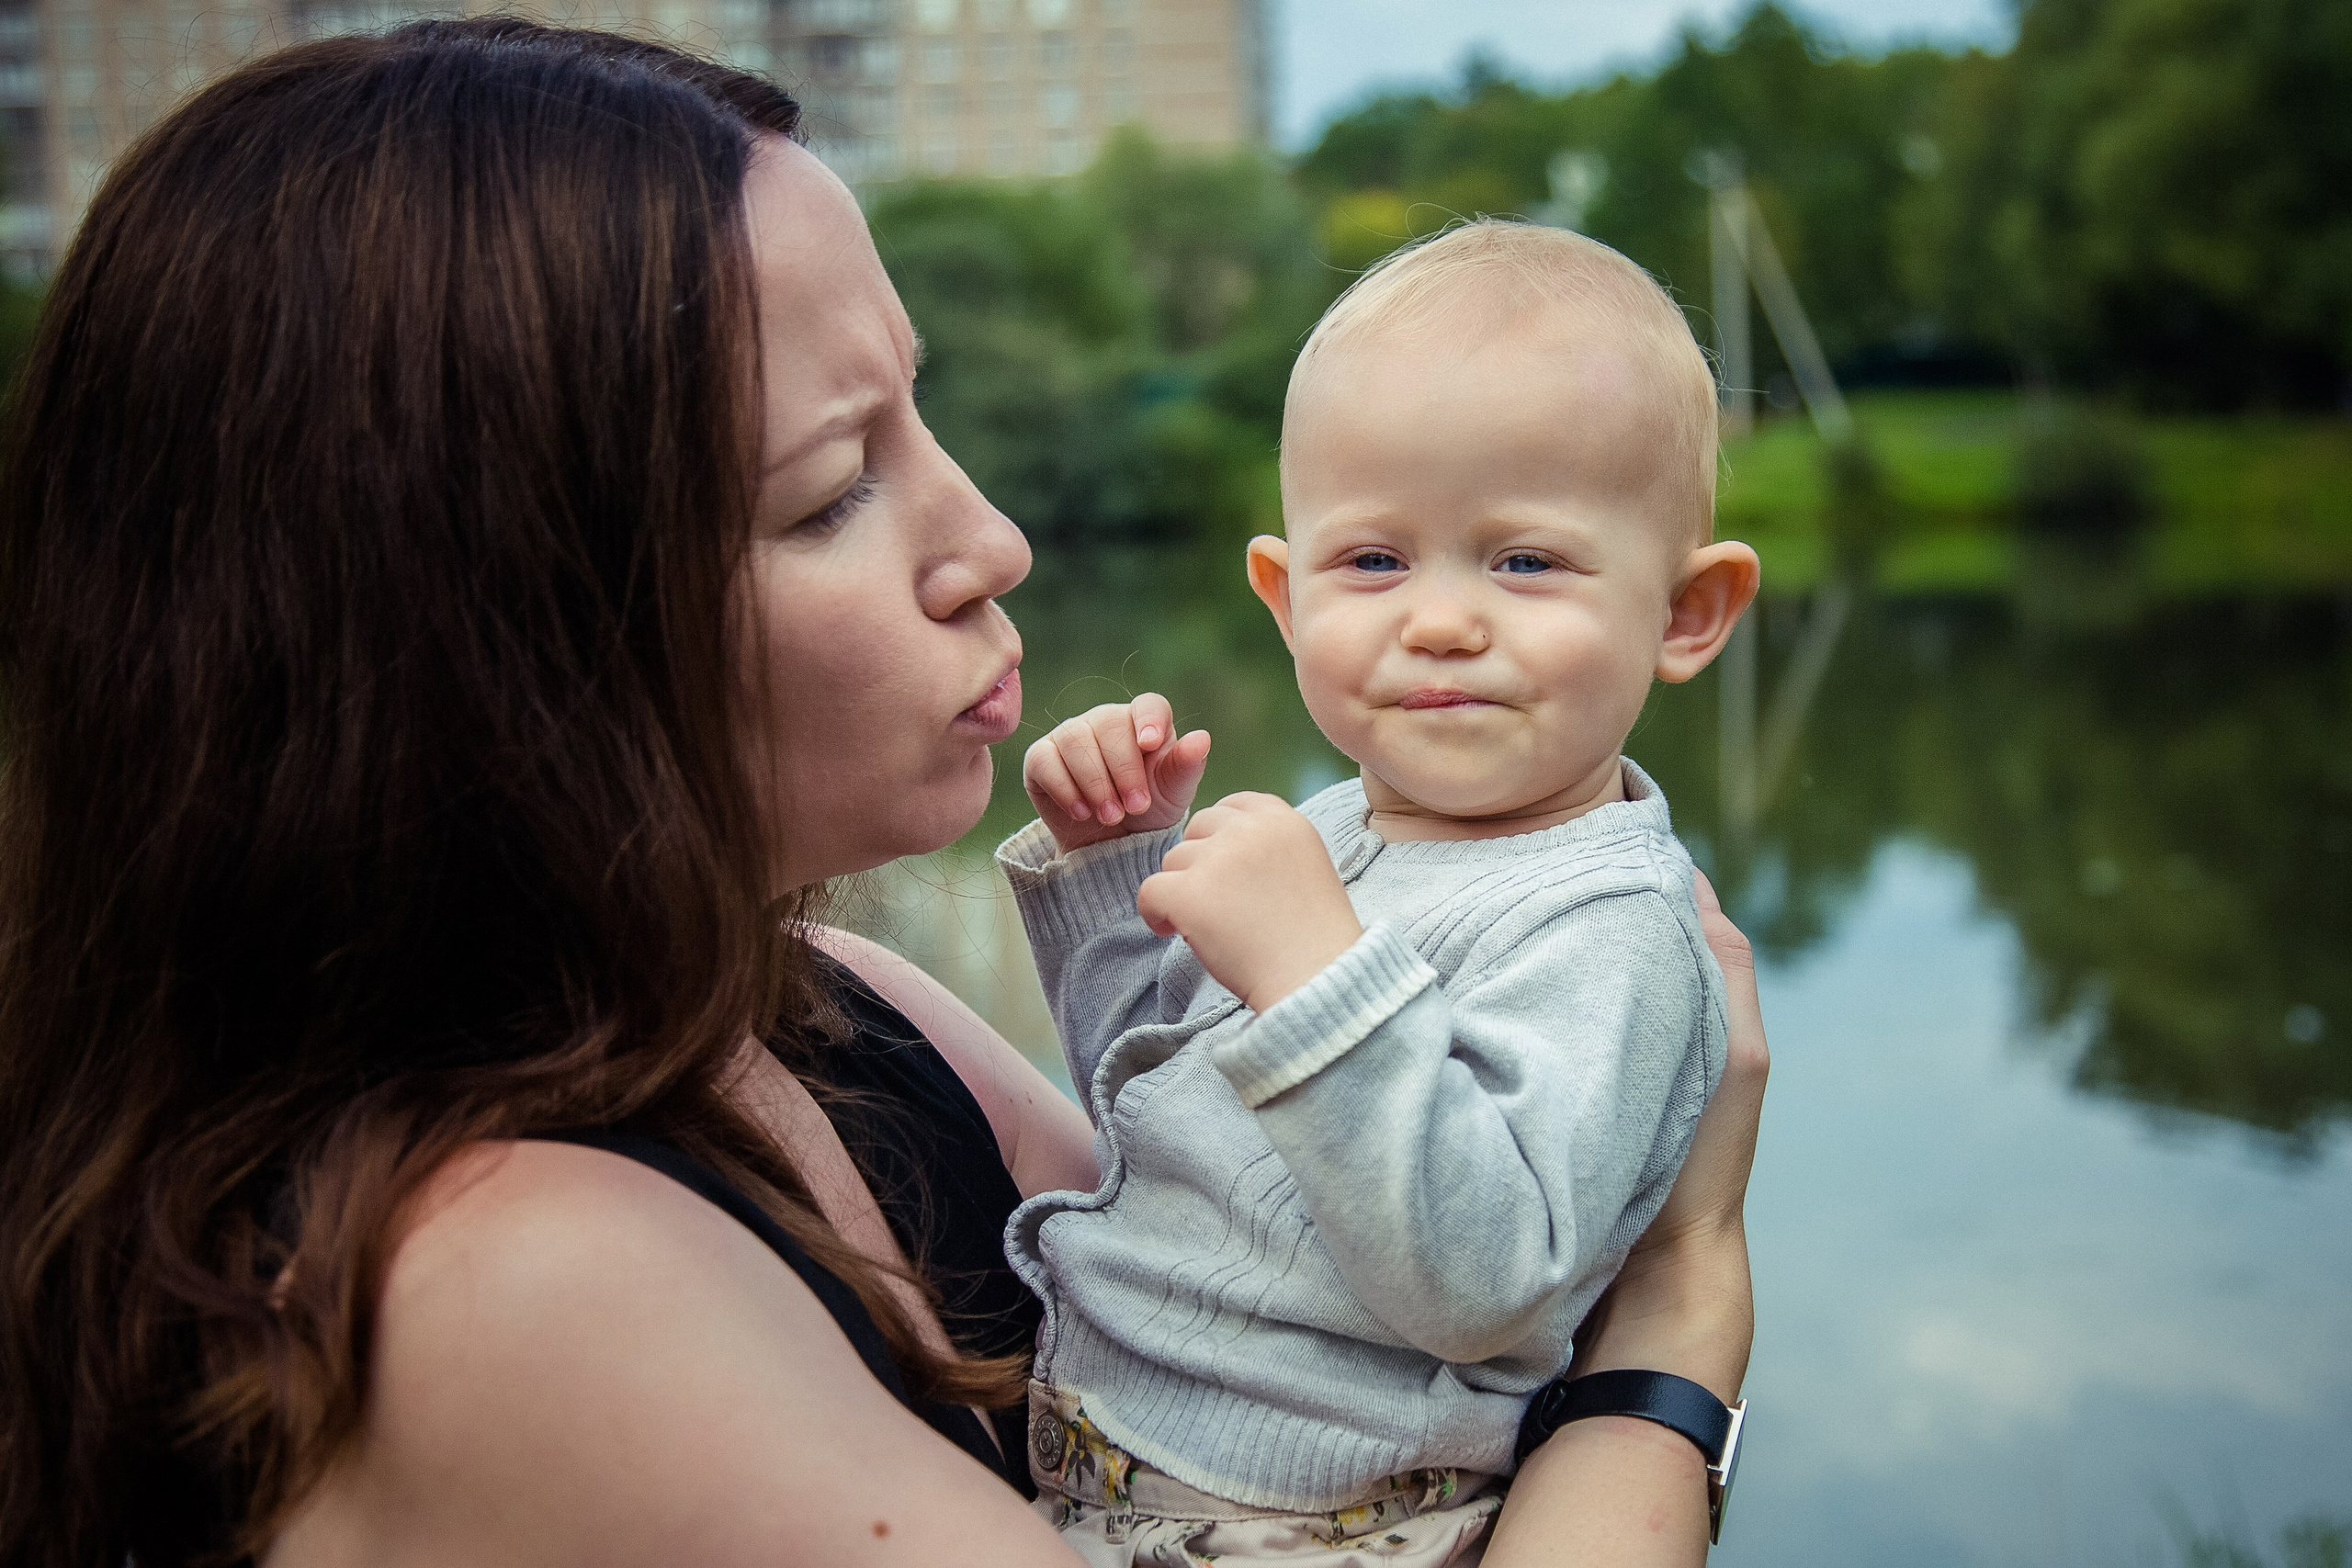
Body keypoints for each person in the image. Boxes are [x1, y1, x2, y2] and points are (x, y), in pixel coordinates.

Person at [0, 22, 1764, 1568]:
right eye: (839, 483)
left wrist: (1144, 893)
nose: (991, 538)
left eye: (921, 413)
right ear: (498, 626)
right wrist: (1678, 1328)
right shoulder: (511, 1284)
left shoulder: (835, 1011)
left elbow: (1255, 1247)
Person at [1001, 220, 1761, 1562]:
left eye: (1524, 561)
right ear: (1285, 601)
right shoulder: (1333, 829)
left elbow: (1481, 1281)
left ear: (1686, 613)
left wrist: (1313, 971)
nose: (1442, 620)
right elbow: (1156, 1123)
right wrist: (1115, 875)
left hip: (1320, 1528)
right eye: (1374, 563)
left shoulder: (1611, 926)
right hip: (1106, 1468)